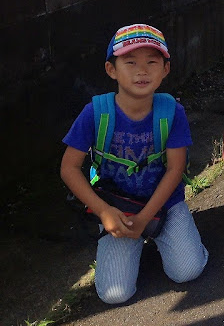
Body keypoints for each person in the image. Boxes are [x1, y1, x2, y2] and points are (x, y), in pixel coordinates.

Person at [60, 24, 208, 304]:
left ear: (165, 69)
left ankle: (169, 235)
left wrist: (144, 219)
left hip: (164, 204)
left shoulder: (171, 112)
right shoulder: (95, 113)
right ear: (111, 69)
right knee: (114, 294)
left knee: (187, 271)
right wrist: (104, 211)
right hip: (118, 205)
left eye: (152, 62)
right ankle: (138, 242)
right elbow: (69, 168)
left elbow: (175, 169)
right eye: (130, 63)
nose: (142, 71)